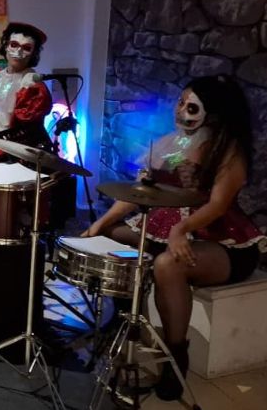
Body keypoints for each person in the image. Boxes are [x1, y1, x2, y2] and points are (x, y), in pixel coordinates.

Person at [83, 75, 265, 401]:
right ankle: (127, 320)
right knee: (111, 235)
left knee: (168, 265)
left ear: (214, 114)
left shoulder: (228, 151)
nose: (180, 111)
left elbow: (217, 205)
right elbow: (140, 193)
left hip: (221, 240)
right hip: (166, 228)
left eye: (191, 107)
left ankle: (175, 356)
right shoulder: (172, 142)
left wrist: (180, 231)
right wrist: (100, 224)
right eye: (180, 103)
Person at [0, 22, 53, 159]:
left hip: (22, 156)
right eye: (14, 45)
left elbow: (26, 134)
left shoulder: (33, 86)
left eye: (26, 48)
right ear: (6, 45)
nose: (18, 52)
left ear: (33, 53)